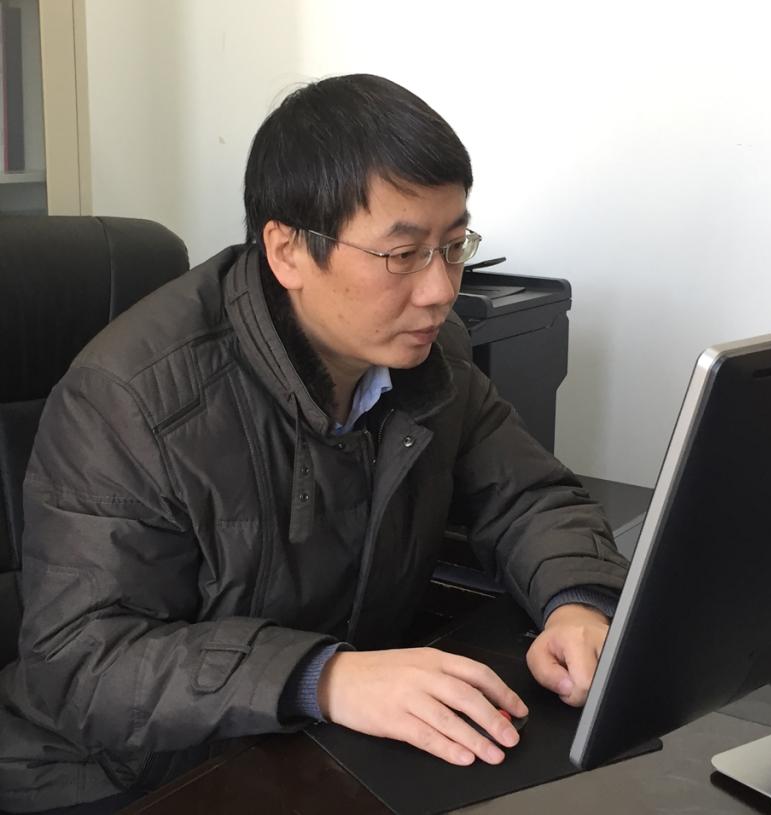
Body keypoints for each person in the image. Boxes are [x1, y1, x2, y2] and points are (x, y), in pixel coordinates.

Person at [0, 74, 628, 813]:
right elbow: (82, 664)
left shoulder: (430, 355)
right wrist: (322, 677)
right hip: (119, 775)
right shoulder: (129, 399)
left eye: (454, 245)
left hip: (304, 748)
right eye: (403, 253)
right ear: (288, 250)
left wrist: (577, 603)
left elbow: (527, 495)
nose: (440, 289)